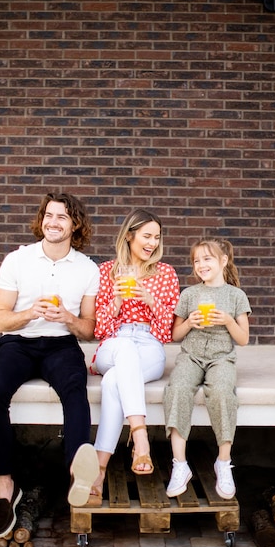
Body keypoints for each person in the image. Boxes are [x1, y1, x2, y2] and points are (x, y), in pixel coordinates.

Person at [0, 192, 100, 538]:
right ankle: (6, 485)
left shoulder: (87, 268)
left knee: (74, 391)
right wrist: (30, 312)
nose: (53, 222)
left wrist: (67, 317)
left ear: (75, 224)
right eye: (49, 215)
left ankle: (76, 478)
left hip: (61, 345)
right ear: (41, 220)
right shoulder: (17, 260)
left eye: (62, 217)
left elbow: (90, 329)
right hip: (18, 344)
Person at [87, 209, 180, 505]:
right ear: (129, 235)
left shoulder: (165, 273)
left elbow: (168, 330)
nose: (152, 243)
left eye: (156, 237)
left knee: (115, 380)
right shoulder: (105, 271)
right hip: (114, 343)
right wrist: (116, 300)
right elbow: (98, 328)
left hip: (150, 343)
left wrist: (149, 299)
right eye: (146, 236)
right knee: (123, 351)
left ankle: (99, 470)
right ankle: (140, 437)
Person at [163, 237, 251, 501]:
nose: (201, 264)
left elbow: (243, 339)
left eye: (207, 258)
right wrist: (189, 322)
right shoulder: (189, 294)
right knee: (177, 389)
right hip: (191, 356)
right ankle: (180, 464)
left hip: (221, 358)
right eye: (196, 260)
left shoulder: (236, 295)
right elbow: (175, 335)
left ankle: (223, 462)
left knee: (223, 393)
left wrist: (226, 320)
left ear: (223, 261)